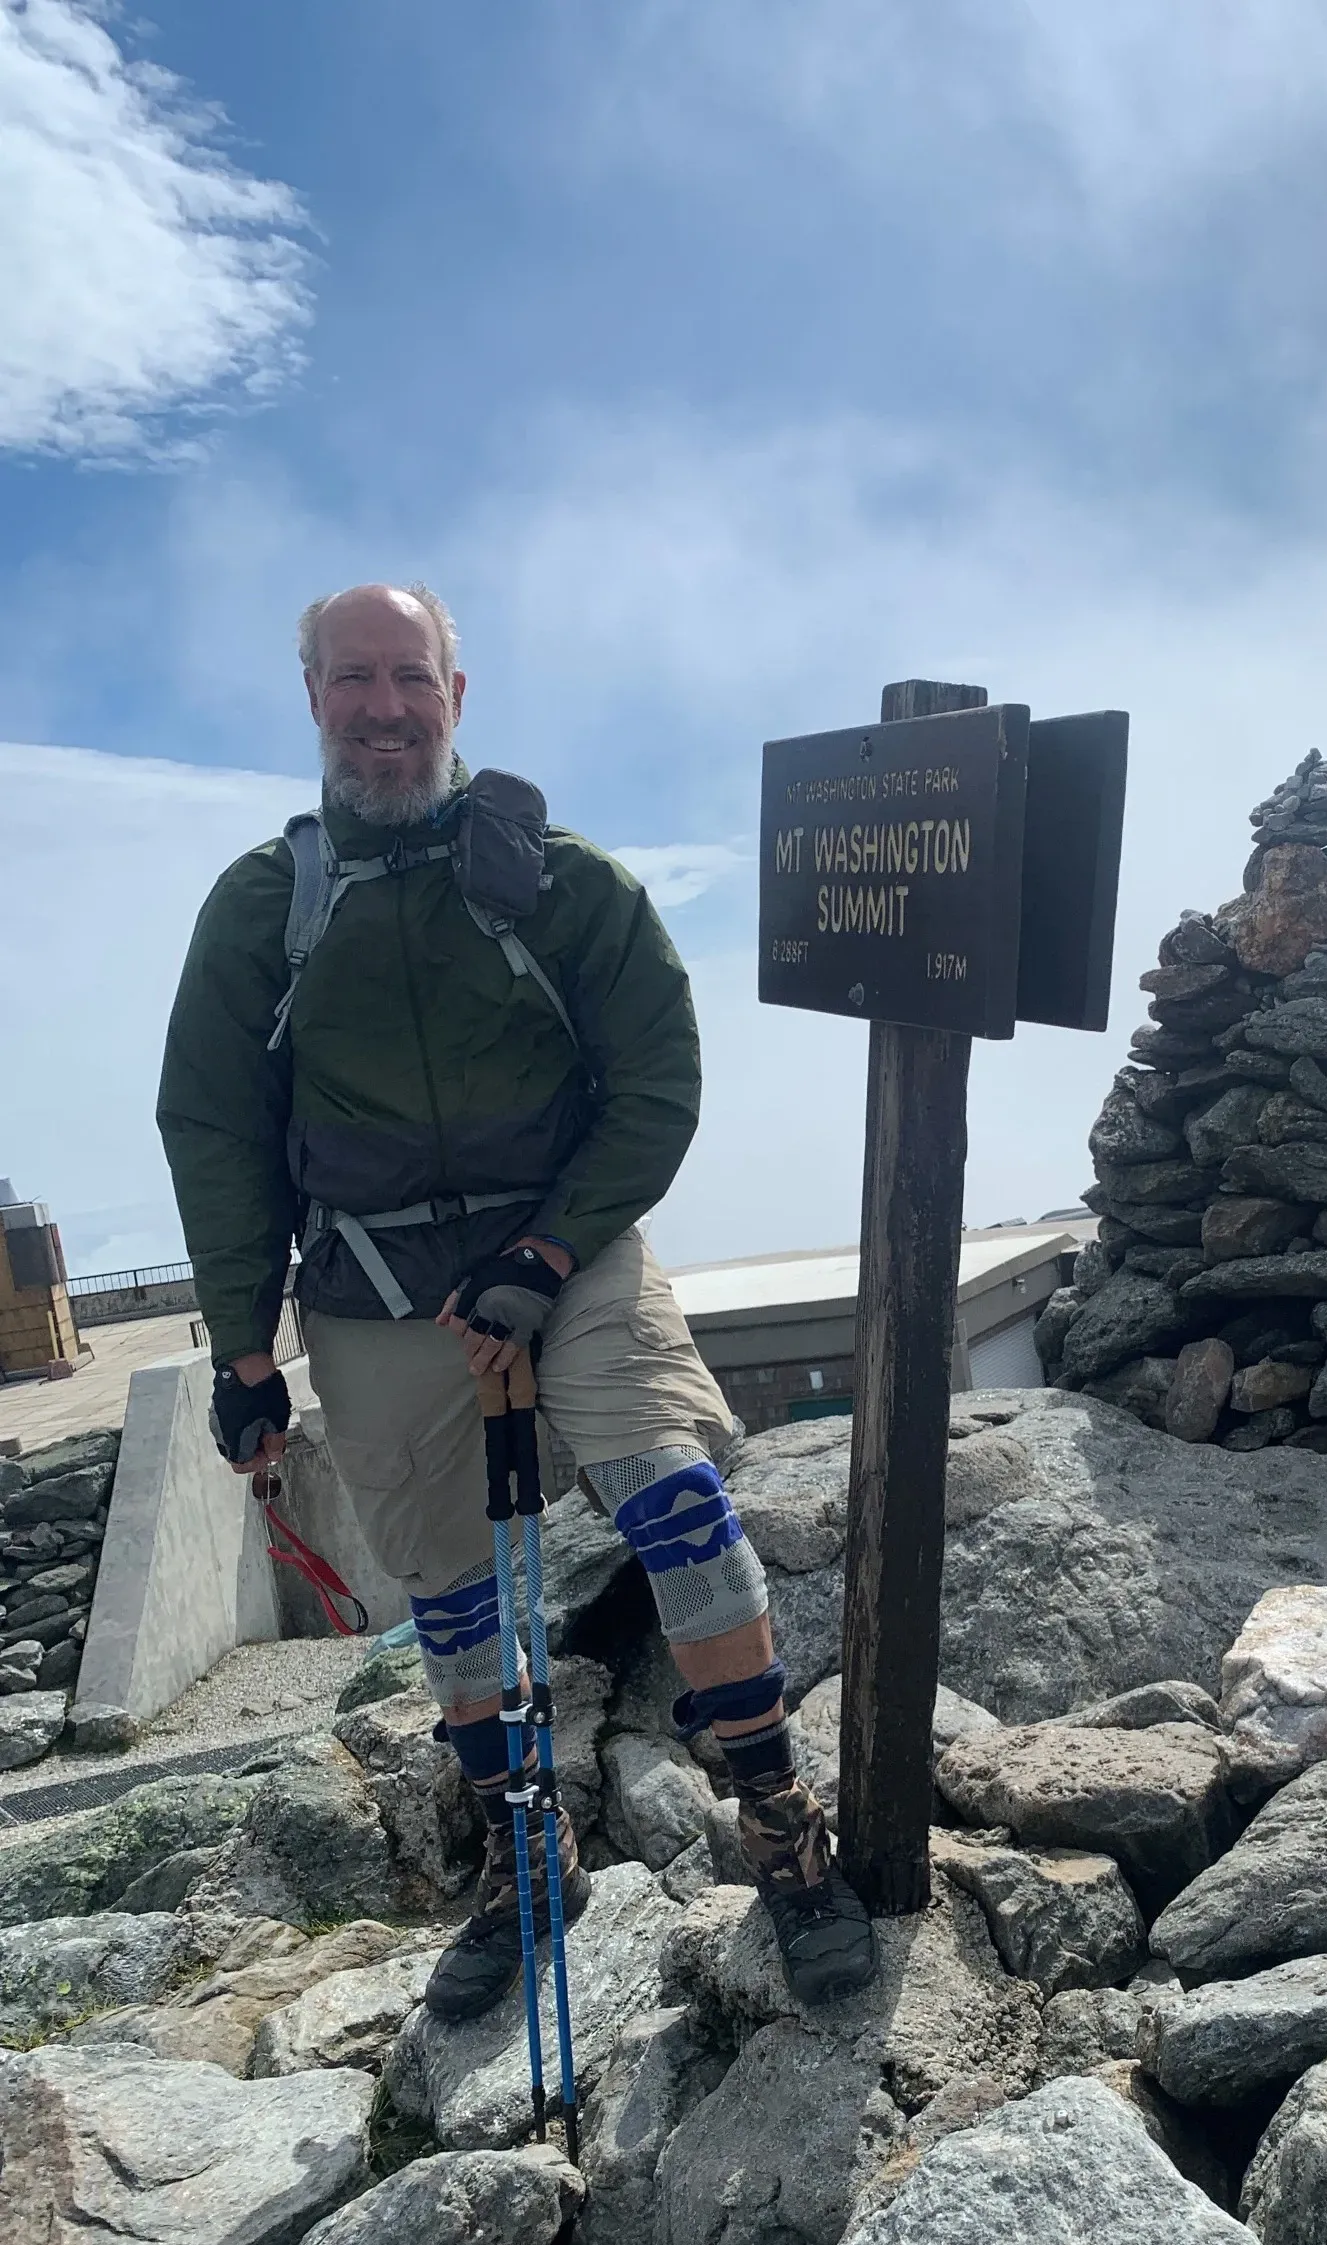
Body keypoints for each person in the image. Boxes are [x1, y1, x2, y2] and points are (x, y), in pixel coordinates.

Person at [157, 581, 875, 2016]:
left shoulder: (561, 878)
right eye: (353, 679)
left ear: (455, 695)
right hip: (374, 1293)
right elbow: (218, 1131)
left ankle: (783, 1829)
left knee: (676, 1500)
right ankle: (523, 1851)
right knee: (450, 1593)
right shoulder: (262, 909)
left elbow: (656, 1078)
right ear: (313, 698)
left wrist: (545, 1257)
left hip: (571, 1252)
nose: (383, 708)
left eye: (408, 677)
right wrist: (244, 1352)